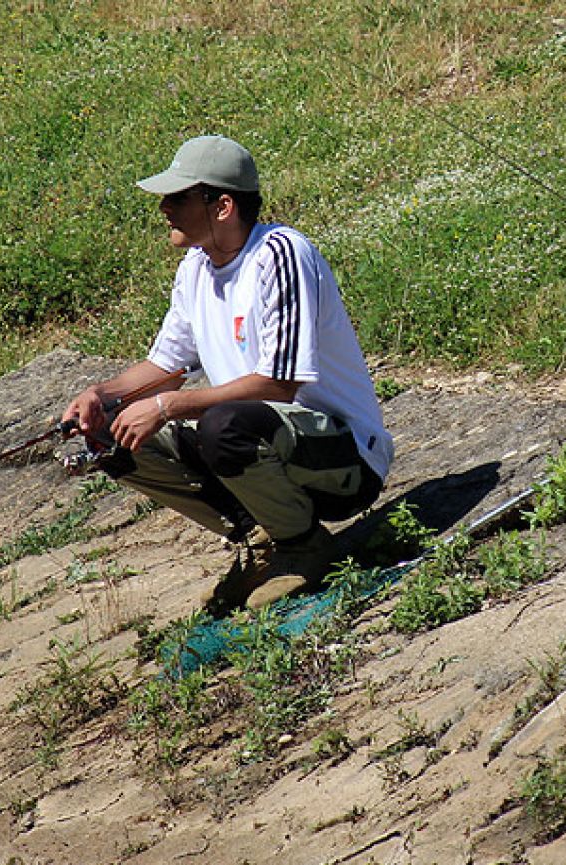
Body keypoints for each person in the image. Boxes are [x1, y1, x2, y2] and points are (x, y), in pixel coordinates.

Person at [63, 135, 393, 615]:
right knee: (113, 437)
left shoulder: (280, 254)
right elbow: (165, 367)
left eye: (177, 197)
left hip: (342, 460)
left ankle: (304, 547)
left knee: (224, 424)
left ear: (222, 205)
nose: (164, 208)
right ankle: (260, 542)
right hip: (266, 447)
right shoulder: (195, 268)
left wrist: (166, 406)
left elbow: (279, 385)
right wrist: (99, 395)